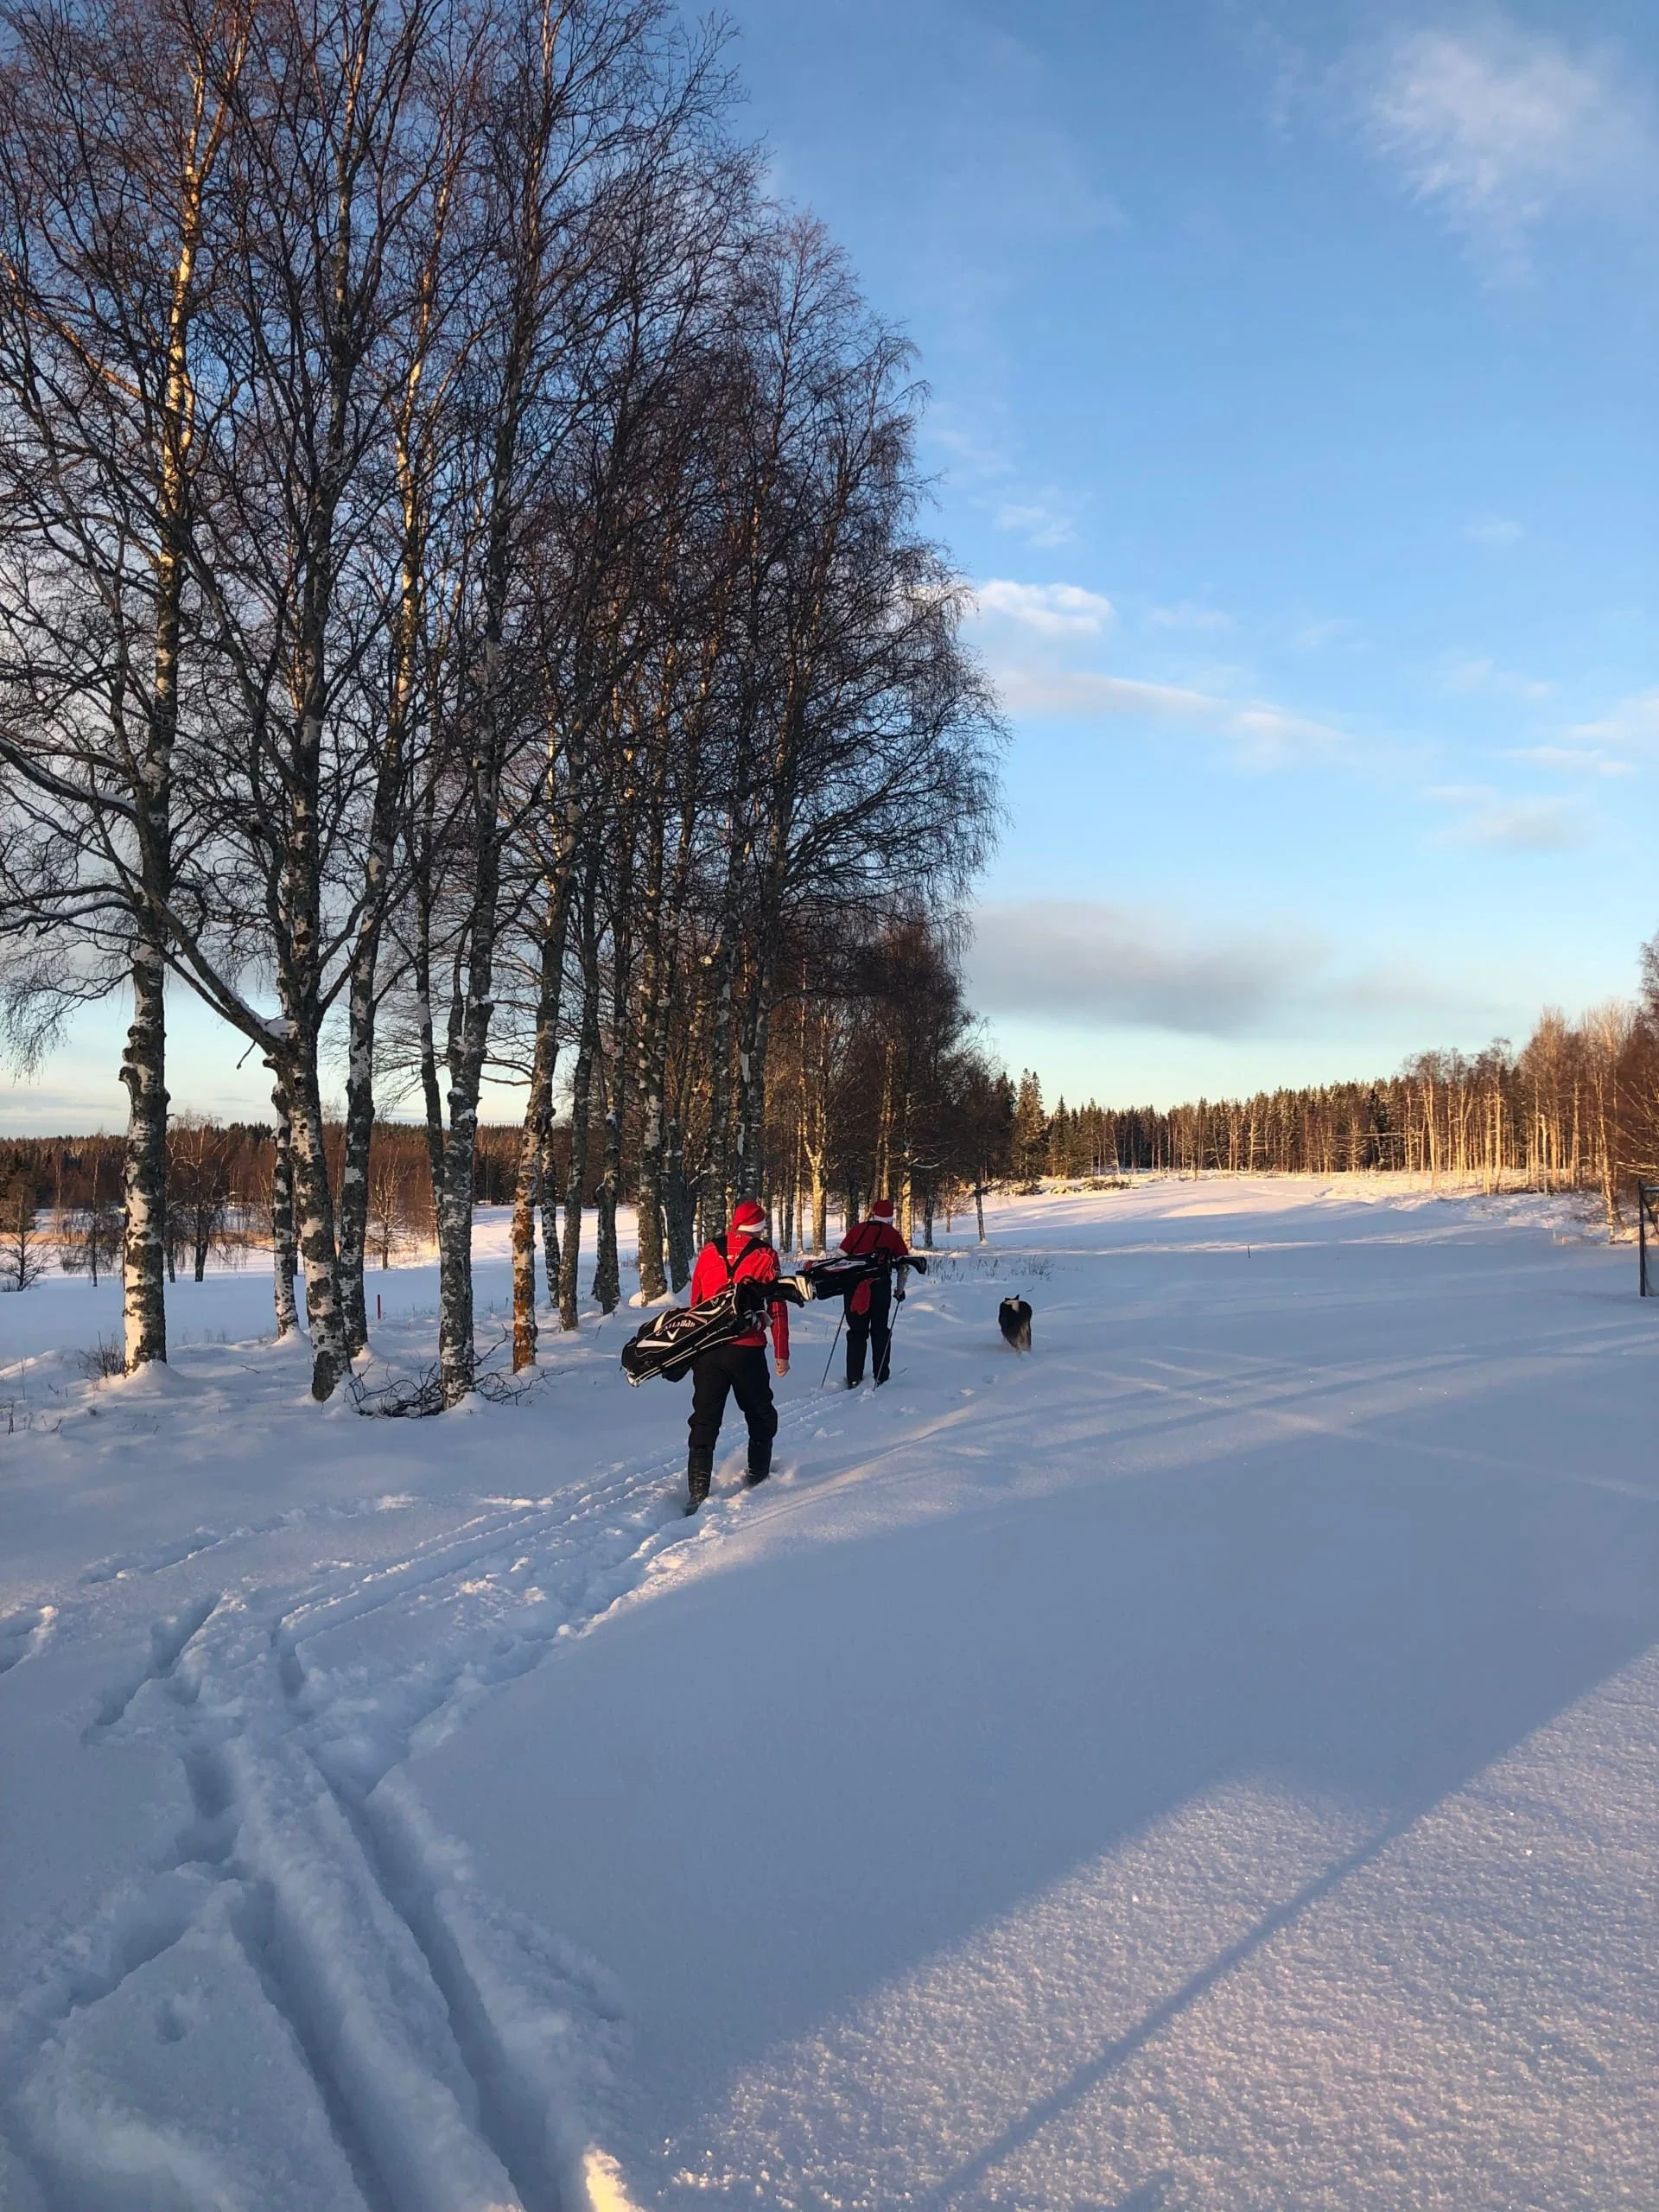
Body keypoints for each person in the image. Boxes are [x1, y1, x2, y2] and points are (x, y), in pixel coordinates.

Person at [684, 1198, 790, 1514]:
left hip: (707, 1349)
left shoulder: (709, 1250)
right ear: (758, 1227)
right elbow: (777, 1305)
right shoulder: (765, 1255)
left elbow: (696, 1301)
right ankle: (758, 1479)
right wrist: (781, 1351)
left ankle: (697, 1493)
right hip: (746, 1349)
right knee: (760, 1415)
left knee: (704, 1420)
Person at [839, 1197, 909, 1389]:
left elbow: (840, 1257)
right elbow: (904, 1265)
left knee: (856, 1332)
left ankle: (854, 1376)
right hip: (880, 1288)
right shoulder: (892, 1234)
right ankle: (881, 1374)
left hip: (854, 1288)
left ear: (872, 1213)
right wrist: (899, 1290)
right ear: (891, 1217)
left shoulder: (857, 1230)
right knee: (880, 1331)